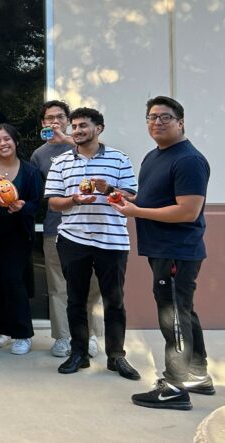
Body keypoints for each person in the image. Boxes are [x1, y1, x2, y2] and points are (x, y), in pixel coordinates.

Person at [112, 96, 213, 410]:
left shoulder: (189, 160)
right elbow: (150, 198)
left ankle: (174, 386)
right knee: (183, 311)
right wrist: (126, 199)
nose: (157, 122)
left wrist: (137, 212)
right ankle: (197, 375)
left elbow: (187, 211)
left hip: (177, 251)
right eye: (151, 117)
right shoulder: (155, 156)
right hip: (163, 249)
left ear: (181, 122)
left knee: (174, 317)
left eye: (165, 117)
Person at [45, 107, 139, 379]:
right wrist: (75, 199)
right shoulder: (61, 162)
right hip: (74, 239)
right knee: (75, 299)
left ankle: (116, 356)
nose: (77, 131)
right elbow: (53, 203)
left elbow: (130, 198)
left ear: (99, 128)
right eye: (74, 126)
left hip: (112, 239)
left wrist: (107, 190)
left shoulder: (119, 160)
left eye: (83, 125)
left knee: (114, 301)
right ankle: (79, 353)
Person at [29, 100, 104, 359]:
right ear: (42, 123)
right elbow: (39, 194)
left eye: (60, 117)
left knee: (91, 283)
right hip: (55, 226)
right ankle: (62, 337)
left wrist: (69, 140)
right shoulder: (39, 155)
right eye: (49, 118)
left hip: (91, 226)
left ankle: (90, 334)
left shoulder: (87, 144)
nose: (54, 122)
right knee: (58, 285)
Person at [0, 123, 43, 355]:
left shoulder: (30, 171)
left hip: (17, 234)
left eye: (7, 139)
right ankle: (2, 330)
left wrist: (24, 206)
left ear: (16, 142)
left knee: (13, 280)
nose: (2, 144)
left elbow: (37, 202)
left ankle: (23, 333)